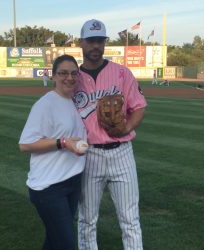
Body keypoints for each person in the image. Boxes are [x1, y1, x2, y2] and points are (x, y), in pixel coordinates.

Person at [73, 19, 147, 250]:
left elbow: (139, 107)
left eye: (100, 41)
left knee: (130, 219)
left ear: (104, 43)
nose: (95, 46)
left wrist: (126, 128)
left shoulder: (122, 73)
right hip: (88, 155)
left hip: (122, 153)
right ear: (81, 43)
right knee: (86, 220)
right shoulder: (72, 79)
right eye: (91, 41)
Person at [19, 55, 87, 250]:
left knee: (54, 241)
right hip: (48, 187)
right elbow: (25, 144)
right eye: (63, 73)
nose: (69, 77)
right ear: (54, 76)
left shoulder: (77, 101)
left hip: (72, 181)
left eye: (74, 73)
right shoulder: (45, 104)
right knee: (65, 244)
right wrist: (63, 142)